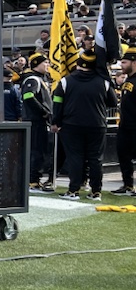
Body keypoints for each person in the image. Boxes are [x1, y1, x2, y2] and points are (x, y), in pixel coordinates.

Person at [51, 49, 117, 201]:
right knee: (96, 159)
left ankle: (73, 190)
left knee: (75, 157)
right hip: (97, 125)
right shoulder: (104, 82)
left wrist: (56, 122)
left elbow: (57, 104)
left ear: (79, 63)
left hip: (72, 125)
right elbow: (113, 102)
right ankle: (96, 192)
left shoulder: (65, 81)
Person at [20, 53, 55, 192]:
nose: (48, 65)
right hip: (35, 120)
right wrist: (43, 111)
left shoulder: (42, 79)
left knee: (39, 150)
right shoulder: (33, 79)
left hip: (39, 120)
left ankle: (34, 179)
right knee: (36, 150)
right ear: (36, 64)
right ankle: (32, 181)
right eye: (45, 62)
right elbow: (28, 96)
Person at [110, 48, 136, 195]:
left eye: (124, 62)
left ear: (134, 62)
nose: (121, 65)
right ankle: (128, 185)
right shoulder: (128, 80)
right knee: (123, 156)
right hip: (125, 126)